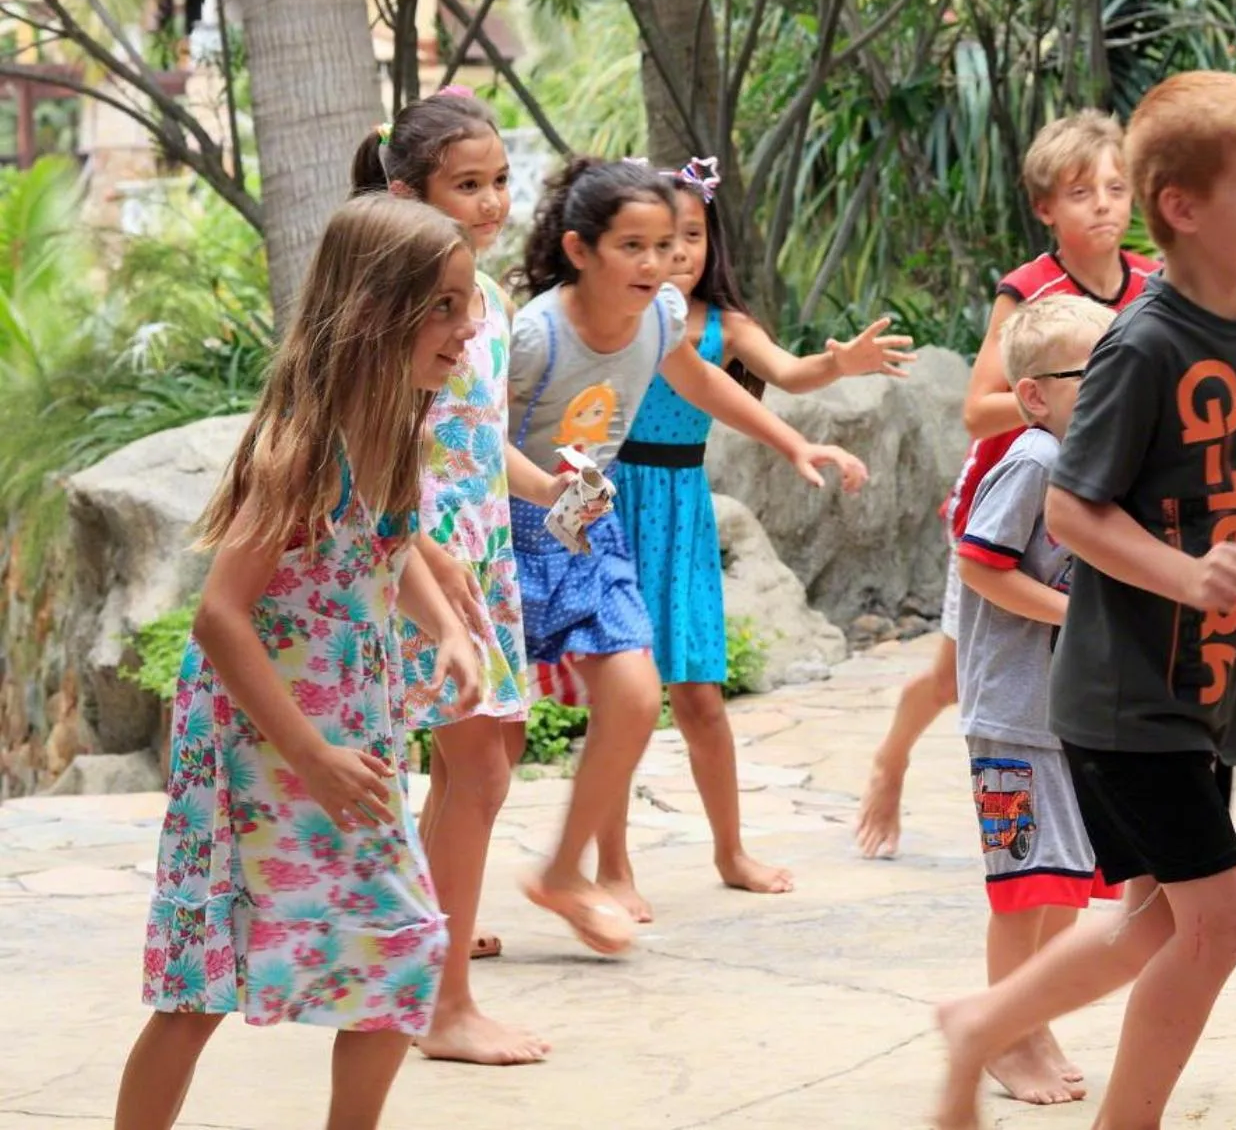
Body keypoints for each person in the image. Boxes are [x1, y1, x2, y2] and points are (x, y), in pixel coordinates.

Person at [933, 72, 1236, 1130]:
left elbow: (1233, 449)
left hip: (1200, 682)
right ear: (1182, 207)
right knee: (1217, 919)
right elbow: (1074, 509)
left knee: (1153, 920)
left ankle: (981, 1024)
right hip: (1120, 689)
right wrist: (1186, 576)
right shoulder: (1140, 343)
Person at [114, 197, 486, 1130]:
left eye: (467, 303)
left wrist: (444, 626)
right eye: (444, 306)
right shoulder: (301, 450)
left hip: (345, 746)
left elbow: (387, 551)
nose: (467, 326)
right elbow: (220, 617)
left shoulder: (395, 429)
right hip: (263, 750)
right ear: (376, 312)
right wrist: (311, 753)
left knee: (399, 953)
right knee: (201, 987)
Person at [507, 157, 867, 955]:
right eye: (632, 245)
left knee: (636, 695)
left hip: (585, 529)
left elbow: (703, 381)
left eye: (666, 243)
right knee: (488, 739)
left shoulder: (664, 316)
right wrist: (538, 490)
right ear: (580, 249)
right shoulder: (534, 335)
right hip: (511, 533)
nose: (656, 262)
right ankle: (450, 907)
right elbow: (465, 433)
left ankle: (565, 868)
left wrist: (792, 439)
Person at [590, 157, 912, 915]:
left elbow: (788, 371)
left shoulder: (722, 326)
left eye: (691, 235)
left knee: (698, 694)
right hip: (609, 503)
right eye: (660, 238)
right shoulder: (617, 315)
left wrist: (838, 362)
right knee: (618, 698)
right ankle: (610, 862)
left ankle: (729, 848)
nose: (677, 253)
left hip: (679, 505)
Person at [857, 110, 1160, 859]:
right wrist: (1084, 401)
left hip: (1095, 505)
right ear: (1044, 207)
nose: (1103, 204)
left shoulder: (1150, 283)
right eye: (1081, 190)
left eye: (1116, 188)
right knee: (961, 675)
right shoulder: (1028, 288)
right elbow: (977, 406)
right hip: (1009, 507)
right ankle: (889, 759)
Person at [356, 86, 570, 1065]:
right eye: (466, 184)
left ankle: (430, 967)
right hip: (419, 561)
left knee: (479, 757)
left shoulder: (489, 301)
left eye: (498, 182)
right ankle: (440, 1003)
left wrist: (556, 488)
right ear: (406, 191)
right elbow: (382, 449)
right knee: (472, 759)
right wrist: (431, 572)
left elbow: (477, 445)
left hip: (481, 556)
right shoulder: (398, 306)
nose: (490, 203)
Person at [953, 294, 1122, 1108]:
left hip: (1066, 713)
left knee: (1063, 882)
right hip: (1013, 715)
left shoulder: (1088, 462)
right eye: (1095, 376)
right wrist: (1075, 615)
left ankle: (1030, 1016)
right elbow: (979, 564)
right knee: (1024, 887)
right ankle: (999, 1033)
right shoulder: (1030, 460)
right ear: (1035, 394)